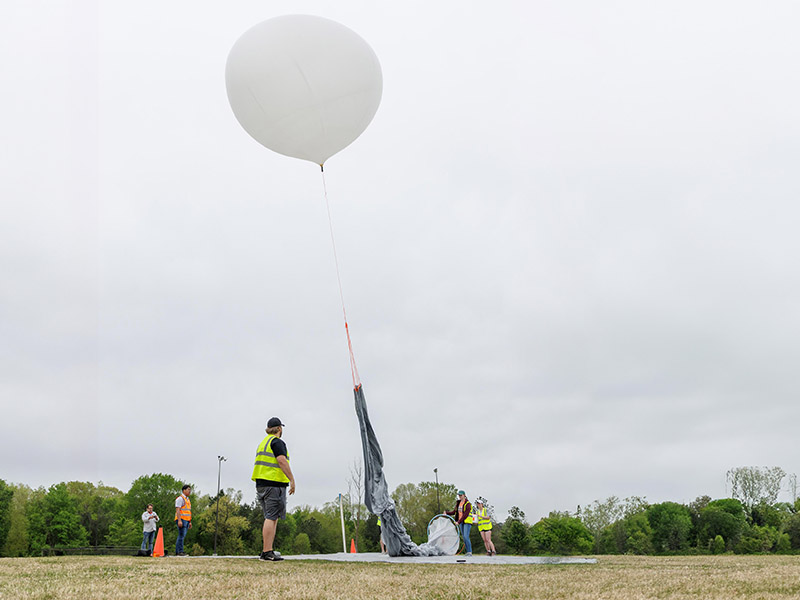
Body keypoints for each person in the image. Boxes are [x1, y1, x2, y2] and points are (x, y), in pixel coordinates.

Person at [252, 416, 295, 561]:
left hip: (261, 484)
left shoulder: (263, 443)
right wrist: (292, 479)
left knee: (270, 516)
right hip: (273, 484)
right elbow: (281, 461)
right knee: (271, 517)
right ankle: (267, 552)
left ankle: (268, 550)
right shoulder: (277, 442)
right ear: (279, 429)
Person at [446, 490, 473, 556]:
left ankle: (470, 552)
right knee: (464, 537)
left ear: (464, 495)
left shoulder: (468, 504)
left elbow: (465, 515)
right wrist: (447, 513)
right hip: (461, 523)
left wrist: (458, 521)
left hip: (467, 522)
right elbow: (454, 512)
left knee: (466, 537)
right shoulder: (458, 503)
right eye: (459, 495)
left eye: (461, 495)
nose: (460, 496)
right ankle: (467, 552)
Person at [174, 484, 192, 556]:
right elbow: (178, 510)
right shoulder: (180, 499)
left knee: (183, 536)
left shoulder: (187, 499)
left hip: (187, 520)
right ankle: (179, 551)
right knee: (181, 536)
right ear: (183, 490)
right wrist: (179, 520)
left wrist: (190, 521)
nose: (189, 491)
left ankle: (180, 551)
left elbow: (188, 511)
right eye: (188, 490)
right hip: (182, 519)